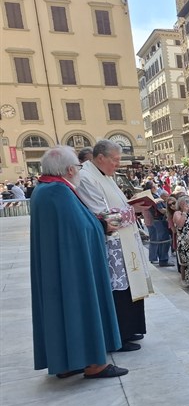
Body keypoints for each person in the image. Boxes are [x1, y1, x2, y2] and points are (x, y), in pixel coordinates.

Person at [30, 146, 126, 379]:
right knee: (79, 306)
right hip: (73, 267)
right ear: (70, 169)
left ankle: (65, 362)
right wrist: (102, 226)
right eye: (79, 167)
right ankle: (94, 364)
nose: (79, 171)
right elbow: (81, 227)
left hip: (56, 266)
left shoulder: (43, 190)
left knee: (59, 309)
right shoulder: (60, 192)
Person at [76, 139, 152, 352]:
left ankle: (131, 328)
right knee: (118, 290)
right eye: (116, 160)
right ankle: (119, 335)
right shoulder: (86, 177)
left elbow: (116, 205)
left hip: (124, 241)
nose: (118, 164)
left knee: (129, 287)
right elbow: (102, 216)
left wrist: (132, 204)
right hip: (111, 244)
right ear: (101, 158)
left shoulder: (104, 175)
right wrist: (133, 212)